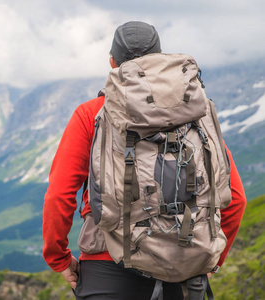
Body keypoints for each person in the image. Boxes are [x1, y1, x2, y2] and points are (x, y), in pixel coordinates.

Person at [42, 21, 247, 299]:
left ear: (113, 62)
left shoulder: (92, 113)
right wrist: (212, 261)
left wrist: (60, 260)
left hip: (109, 267)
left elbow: (59, 194)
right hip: (188, 266)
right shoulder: (194, 113)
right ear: (159, 59)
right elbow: (235, 197)